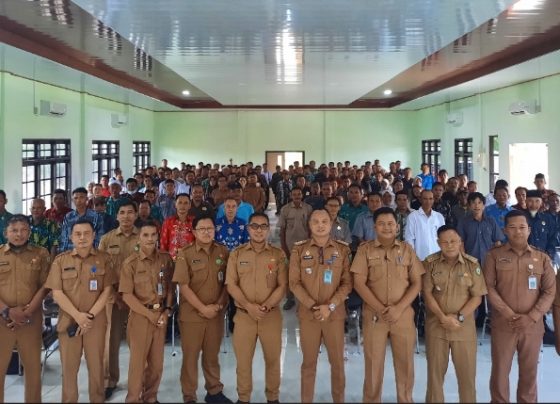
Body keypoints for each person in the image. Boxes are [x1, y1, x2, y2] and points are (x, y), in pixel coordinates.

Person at [351, 207, 425, 402]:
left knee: (405, 364)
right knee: (374, 364)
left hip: (402, 316)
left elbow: (417, 282)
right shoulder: (364, 250)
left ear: (397, 227)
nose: (386, 227)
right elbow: (358, 282)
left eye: (390, 223)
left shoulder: (407, 250)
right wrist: (380, 308)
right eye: (382, 224)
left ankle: (405, 399)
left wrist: (399, 308)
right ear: (374, 226)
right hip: (375, 317)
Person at [484, 210, 556, 403]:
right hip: (503, 325)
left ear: (529, 230)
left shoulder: (542, 258)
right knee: (500, 372)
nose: (518, 232)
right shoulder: (494, 256)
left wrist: (532, 316)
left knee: (529, 373)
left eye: (522, 227)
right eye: (513, 227)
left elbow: (550, 291)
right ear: (505, 230)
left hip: (532, 327)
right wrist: (508, 314)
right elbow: (488, 287)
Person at [46, 218, 116, 402]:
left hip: (96, 323)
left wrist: (89, 316)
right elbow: (57, 293)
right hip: (69, 321)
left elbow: (107, 290)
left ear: (94, 235)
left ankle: (97, 399)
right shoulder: (60, 261)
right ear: (71, 237)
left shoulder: (104, 259)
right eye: (78, 234)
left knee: (96, 367)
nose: (82, 237)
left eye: (86, 233)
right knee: (69, 369)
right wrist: (78, 317)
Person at [289, 209, 352, 402]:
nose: (320, 225)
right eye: (315, 221)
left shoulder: (342, 249)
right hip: (309, 316)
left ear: (331, 224)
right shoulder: (299, 250)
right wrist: (313, 306)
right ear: (309, 225)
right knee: (308, 363)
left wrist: (330, 306)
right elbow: (294, 283)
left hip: (334, 315)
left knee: (337, 363)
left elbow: (347, 283)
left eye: (324, 221)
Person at [225, 213, 288, 403]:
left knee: (273, 361)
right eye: (255, 226)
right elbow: (231, 284)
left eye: (263, 226)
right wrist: (248, 306)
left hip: (271, 316)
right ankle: (243, 398)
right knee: (243, 363)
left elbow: (282, 285)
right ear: (248, 229)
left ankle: (273, 398)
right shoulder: (237, 253)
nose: (259, 230)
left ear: (269, 229)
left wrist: (266, 306)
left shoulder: (278, 254)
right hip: (244, 317)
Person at [422, 225, 487, 402]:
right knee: (435, 377)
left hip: (463, 327)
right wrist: (443, 317)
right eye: (445, 242)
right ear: (438, 243)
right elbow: (426, 293)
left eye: (453, 241)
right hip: (437, 326)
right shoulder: (429, 263)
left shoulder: (472, 264)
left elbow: (477, 297)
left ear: (460, 242)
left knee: (467, 377)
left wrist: (458, 317)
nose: (450, 245)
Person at [173, 216, 232, 404]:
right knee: (190, 358)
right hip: (192, 315)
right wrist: (202, 308)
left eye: (210, 228)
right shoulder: (185, 253)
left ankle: (214, 391)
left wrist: (219, 306)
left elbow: (227, 283)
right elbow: (183, 286)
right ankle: (189, 395)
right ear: (194, 232)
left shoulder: (223, 251)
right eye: (202, 229)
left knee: (211, 355)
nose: (207, 232)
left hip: (215, 314)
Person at [119, 219, 174, 403]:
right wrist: (149, 314)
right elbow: (127, 296)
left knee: (157, 364)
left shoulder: (166, 260)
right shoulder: (131, 263)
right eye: (145, 235)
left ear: (158, 236)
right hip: (141, 317)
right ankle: (133, 398)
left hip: (160, 317)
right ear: (138, 238)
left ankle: (151, 397)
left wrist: (166, 312)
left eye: (153, 235)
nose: (150, 239)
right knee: (137, 363)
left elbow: (169, 290)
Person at [0, 215, 50, 403]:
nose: (19, 234)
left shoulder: (41, 253)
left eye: (23, 230)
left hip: (31, 320)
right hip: (2, 321)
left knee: (33, 370)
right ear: (6, 233)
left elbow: (46, 285)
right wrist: (8, 311)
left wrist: (27, 312)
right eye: (14, 230)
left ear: (29, 232)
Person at [98, 200, 140, 399]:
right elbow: (101, 269)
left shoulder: (144, 236)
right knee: (110, 341)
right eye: (122, 213)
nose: (126, 216)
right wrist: (116, 295)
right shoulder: (106, 239)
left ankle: (139, 381)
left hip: (138, 298)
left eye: (130, 212)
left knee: (138, 342)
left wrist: (130, 295)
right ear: (116, 216)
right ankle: (109, 381)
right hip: (112, 298)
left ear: (136, 215)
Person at [278, 187, 312, 311]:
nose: (297, 196)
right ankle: (290, 298)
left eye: (299, 194)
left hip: (305, 247)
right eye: (294, 194)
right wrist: (284, 248)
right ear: (291, 196)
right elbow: (281, 230)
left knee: (306, 273)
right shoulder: (285, 209)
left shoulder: (308, 209)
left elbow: (310, 229)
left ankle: (305, 300)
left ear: (302, 195)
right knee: (288, 274)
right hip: (289, 247)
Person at [59, 187, 104, 252]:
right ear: (72, 200)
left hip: (89, 254)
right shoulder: (68, 217)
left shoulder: (96, 217)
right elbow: (64, 238)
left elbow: (99, 238)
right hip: (71, 254)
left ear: (87, 199)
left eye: (81, 197)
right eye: (76, 198)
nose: (78, 201)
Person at [405, 190, 446, 260]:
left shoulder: (439, 217)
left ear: (433, 200)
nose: (428, 202)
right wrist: (413, 258)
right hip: (419, 258)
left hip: (437, 257)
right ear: (420, 199)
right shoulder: (413, 216)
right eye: (425, 199)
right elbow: (409, 239)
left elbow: (443, 238)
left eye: (430, 199)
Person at [160, 193, 196, 261]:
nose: (182, 206)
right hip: (172, 262)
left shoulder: (195, 222)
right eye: (180, 203)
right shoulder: (168, 222)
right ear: (175, 204)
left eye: (186, 203)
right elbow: (163, 245)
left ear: (190, 205)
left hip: (190, 261)